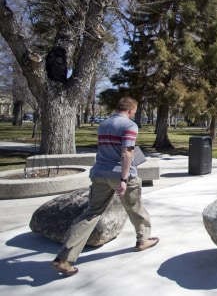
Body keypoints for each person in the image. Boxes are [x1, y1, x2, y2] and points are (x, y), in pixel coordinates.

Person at [51, 97, 159, 277]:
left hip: (100, 173)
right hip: (121, 174)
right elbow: (127, 152)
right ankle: (143, 239)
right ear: (131, 110)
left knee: (91, 213)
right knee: (135, 209)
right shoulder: (130, 126)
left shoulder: (104, 124)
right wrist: (124, 179)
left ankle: (65, 258)